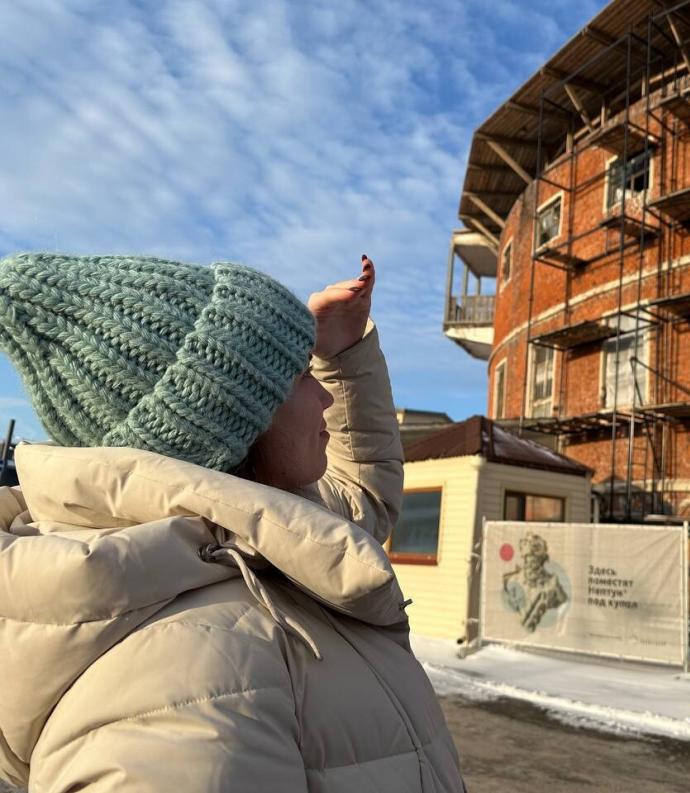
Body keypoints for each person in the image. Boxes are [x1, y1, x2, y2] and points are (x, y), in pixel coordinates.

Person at [0, 253, 465, 792]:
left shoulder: (249, 544)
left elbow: (356, 512)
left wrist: (339, 355)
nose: (324, 394)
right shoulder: (180, 685)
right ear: (224, 420)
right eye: (300, 374)